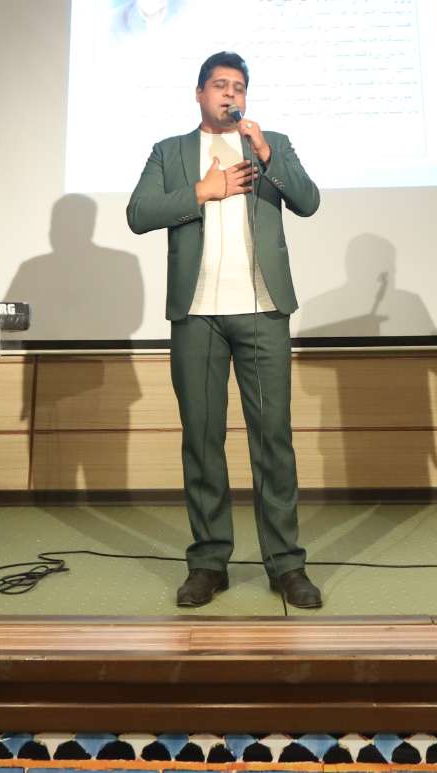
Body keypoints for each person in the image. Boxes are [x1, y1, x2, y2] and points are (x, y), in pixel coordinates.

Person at [126, 51, 324, 609]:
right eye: (219, 85)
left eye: (238, 86)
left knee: (273, 440)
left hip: (262, 310)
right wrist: (201, 192)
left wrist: (267, 155)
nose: (230, 93)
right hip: (197, 315)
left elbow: (308, 202)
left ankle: (286, 564)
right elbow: (139, 214)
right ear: (199, 93)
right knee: (202, 440)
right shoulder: (169, 152)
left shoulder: (271, 145)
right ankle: (209, 563)